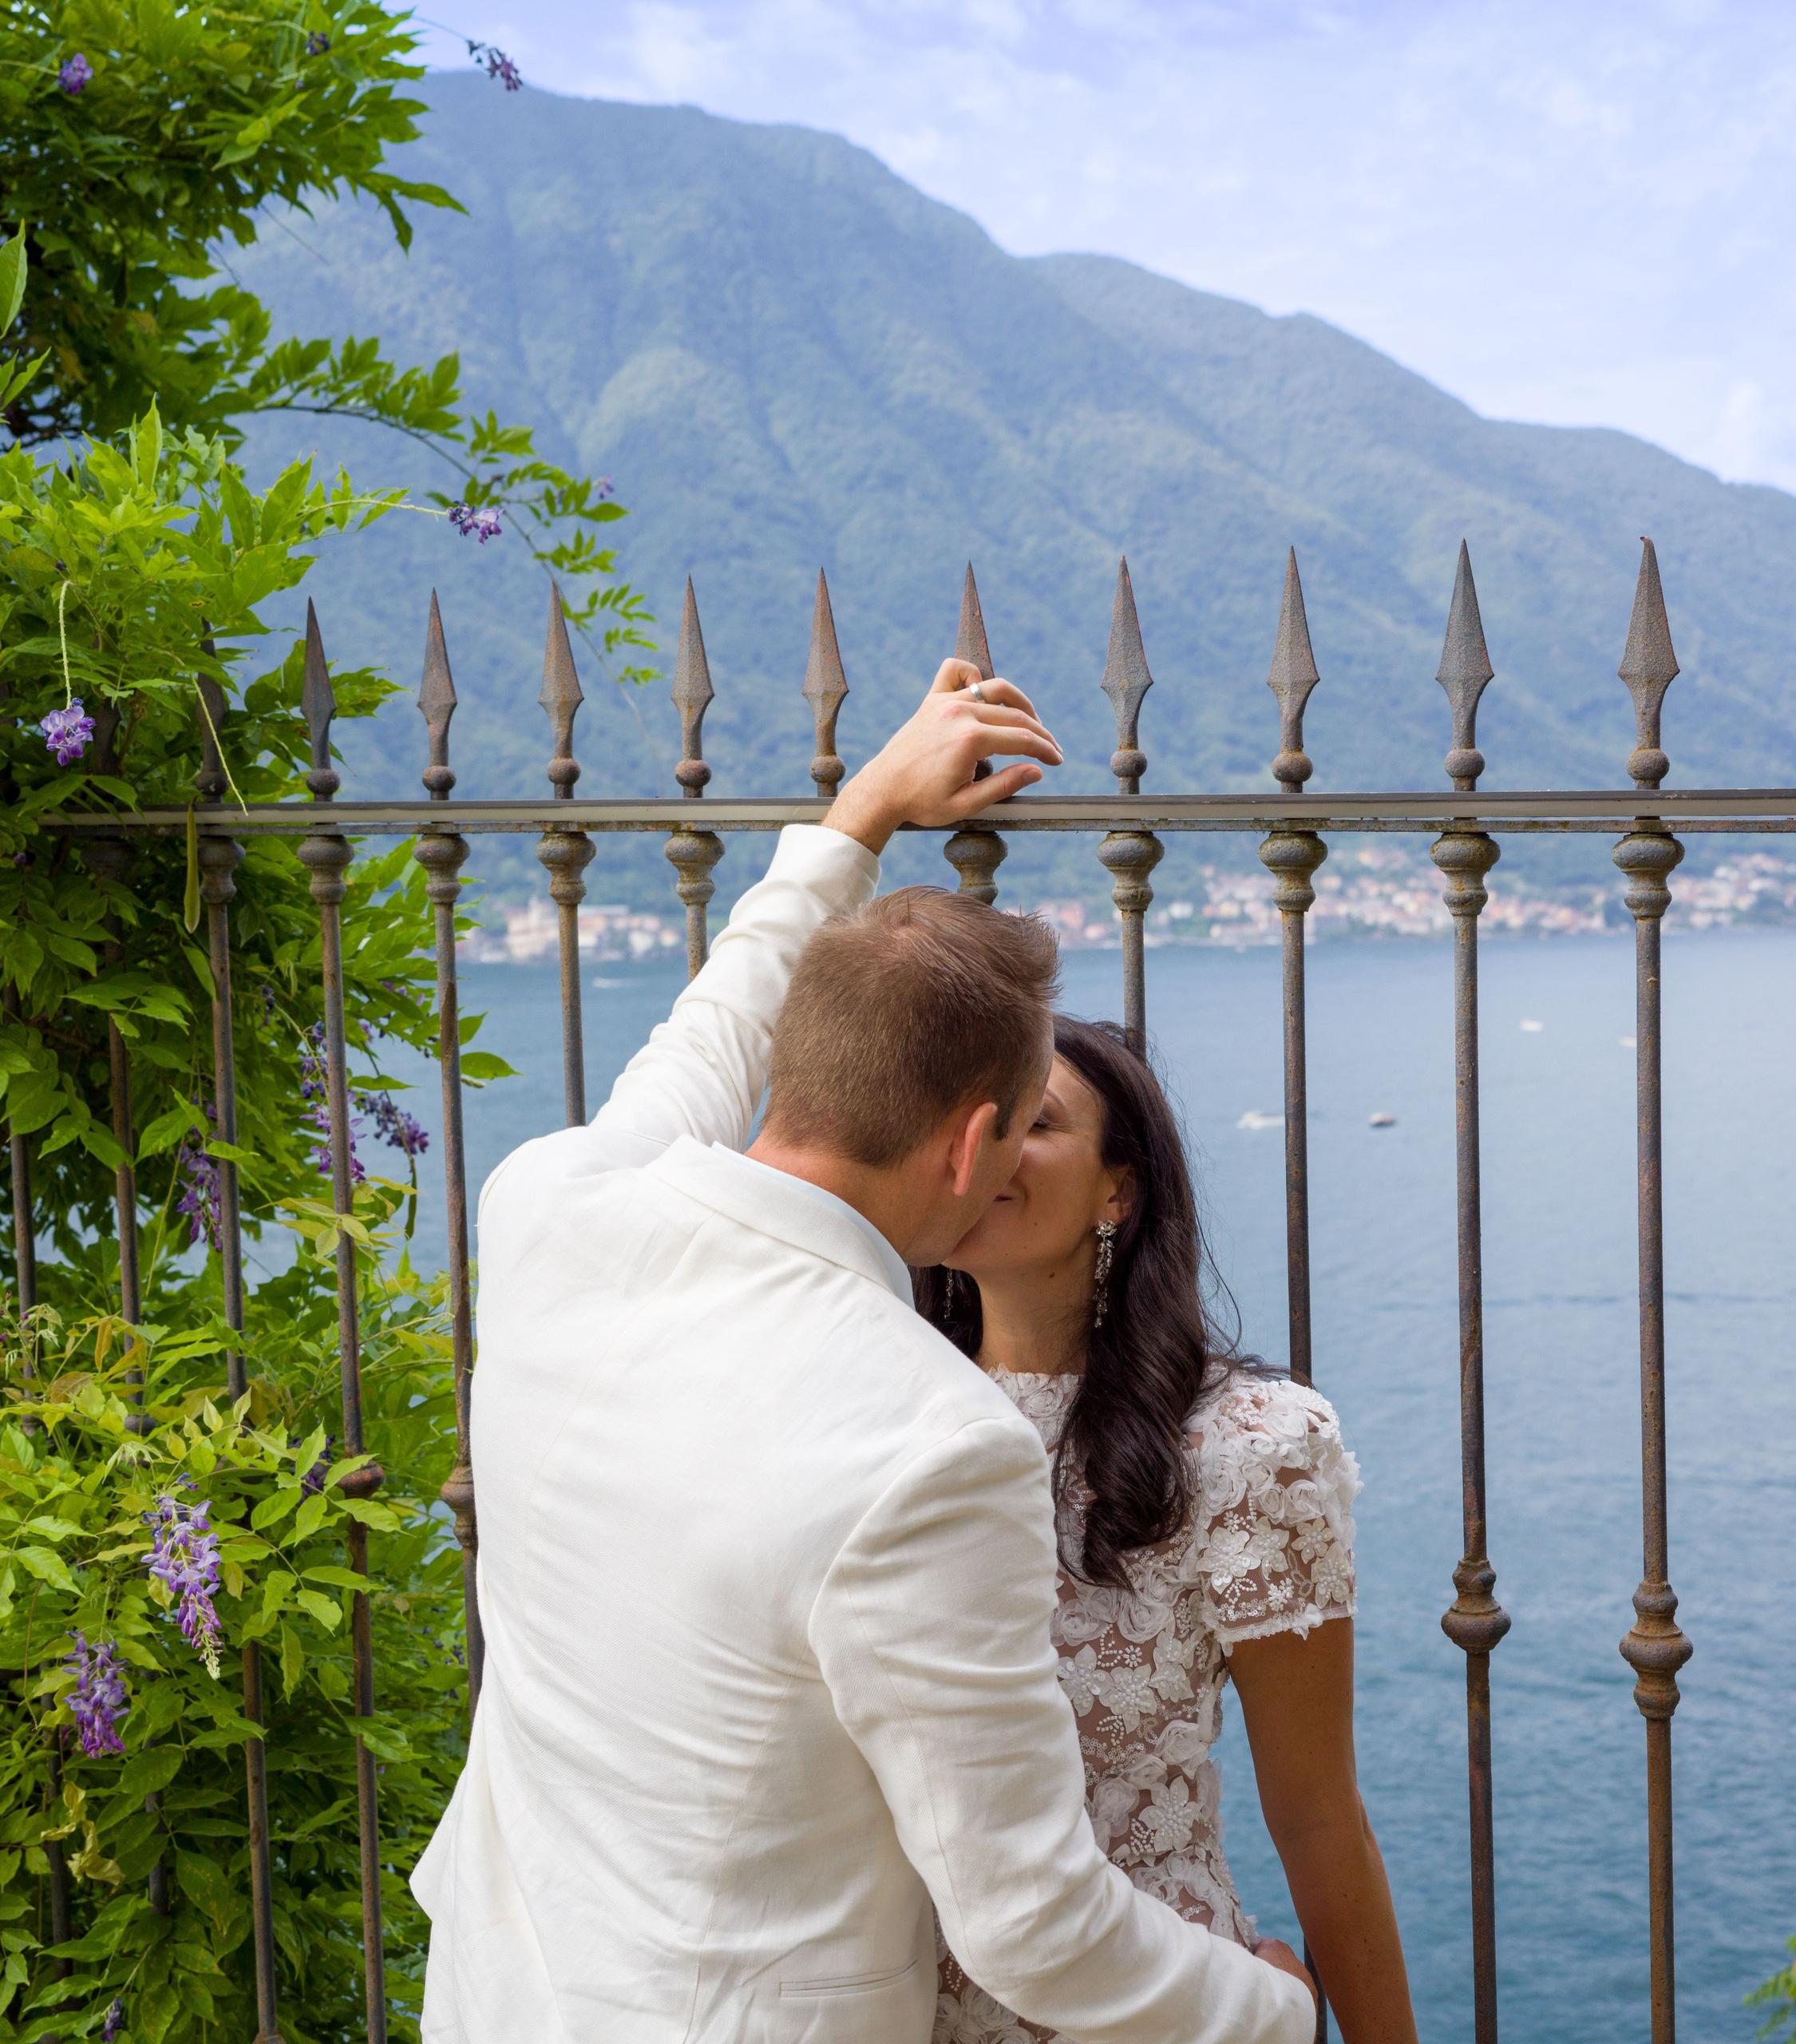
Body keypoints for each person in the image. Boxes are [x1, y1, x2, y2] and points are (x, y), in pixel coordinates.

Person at [411, 661, 1317, 2044]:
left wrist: (861, 818)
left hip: (498, 2001)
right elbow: (1033, 1923)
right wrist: (1272, 2012)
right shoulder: (931, 1444)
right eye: (1019, 1130)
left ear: (804, 1069)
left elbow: (711, 1029)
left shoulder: (547, 1206)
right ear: (972, 1143)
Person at [920, 1017, 1420, 2044]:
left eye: (1035, 1123)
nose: (987, 1148)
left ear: (1120, 1190)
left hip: (1158, 2006)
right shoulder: (875, 1412)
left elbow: (1318, 1814)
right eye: (972, 1121)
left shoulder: (1247, 1446)